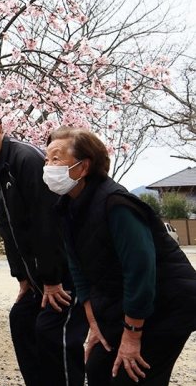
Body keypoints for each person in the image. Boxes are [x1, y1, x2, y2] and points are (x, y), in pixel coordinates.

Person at [0, 108, 88, 386]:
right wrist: (22, 277)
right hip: (35, 277)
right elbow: (7, 226)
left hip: (63, 273)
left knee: (53, 334)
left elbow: (46, 221)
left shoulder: (26, 159)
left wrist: (51, 280)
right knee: (21, 320)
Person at [46, 126, 196, 385]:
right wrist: (95, 325)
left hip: (169, 303)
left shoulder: (118, 205)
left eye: (56, 158)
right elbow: (79, 271)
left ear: (84, 167)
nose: (48, 166)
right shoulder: (68, 207)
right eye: (46, 160)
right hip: (124, 303)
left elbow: (139, 271)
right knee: (97, 369)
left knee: (132, 375)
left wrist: (132, 335)